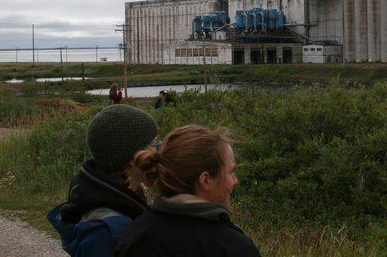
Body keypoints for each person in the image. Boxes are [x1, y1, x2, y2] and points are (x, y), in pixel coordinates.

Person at [113, 125, 261, 257]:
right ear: (205, 180)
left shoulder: (135, 236)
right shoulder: (231, 247)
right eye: (230, 172)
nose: (235, 181)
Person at [47, 104, 159, 257]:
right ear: (134, 158)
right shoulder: (106, 233)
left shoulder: (102, 197)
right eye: (155, 144)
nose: (159, 152)